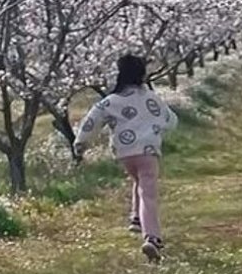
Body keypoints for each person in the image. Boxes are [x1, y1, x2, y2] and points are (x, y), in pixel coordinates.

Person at [73, 54, 178, 262]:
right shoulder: (150, 98)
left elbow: (91, 121)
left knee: (138, 181)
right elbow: (171, 120)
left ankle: (136, 218)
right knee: (148, 192)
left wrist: (81, 143)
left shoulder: (111, 101)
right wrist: (158, 128)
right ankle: (152, 238)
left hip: (125, 153)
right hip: (148, 150)